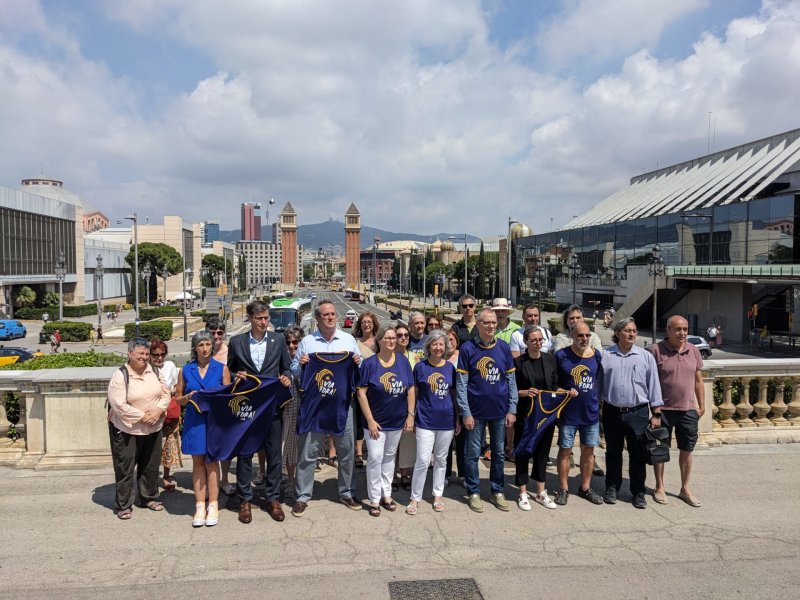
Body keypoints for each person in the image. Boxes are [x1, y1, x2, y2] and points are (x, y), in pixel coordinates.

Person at [291, 300, 362, 517]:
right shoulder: (307, 342)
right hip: (315, 406)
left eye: (333, 314)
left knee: (347, 451)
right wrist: (301, 365)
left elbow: (359, 373)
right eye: (326, 315)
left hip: (342, 405)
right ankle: (302, 496)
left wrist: (357, 362)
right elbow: (295, 371)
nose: (331, 317)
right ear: (318, 318)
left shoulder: (348, 340)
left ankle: (347, 492)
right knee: (308, 452)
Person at [226, 300, 293, 524]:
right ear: (250, 319)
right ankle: (245, 500)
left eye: (266, 318)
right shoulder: (236, 342)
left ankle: (273, 499)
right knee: (245, 456)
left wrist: (286, 378)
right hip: (247, 409)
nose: (264, 322)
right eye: (259, 319)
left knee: (274, 455)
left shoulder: (279, 340)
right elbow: (231, 370)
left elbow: (286, 367)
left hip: (272, 407)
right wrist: (237, 377)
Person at [456, 308, 518, 513]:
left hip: (499, 412)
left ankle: (497, 490)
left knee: (499, 454)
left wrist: (512, 408)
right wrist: (465, 412)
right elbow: (462, 383)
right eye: (486, 323)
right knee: (472, 454)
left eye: (493, 322)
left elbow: (510, 381)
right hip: (475, 412)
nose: (491, 326)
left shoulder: (504, 348)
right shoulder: (467, 348)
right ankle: (473, 491)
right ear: (478, 325)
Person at [601, 318, 663, 509]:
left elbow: (654, 385)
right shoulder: (606, 355)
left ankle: (638, 492)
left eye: (634, 331)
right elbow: (598, 386)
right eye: (627, 330)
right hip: (612, 412)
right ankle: (612, 487)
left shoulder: (645, 357)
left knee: (638, 454)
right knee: (613, 453)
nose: (632, 334)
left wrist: (657, 413)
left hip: (638, 413)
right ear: (618, 333)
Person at [106, 337, 171, 519]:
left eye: (146, 353)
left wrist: (158, 411)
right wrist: (144, 417)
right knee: (125, 468)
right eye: (139, 353)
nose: (144, 357)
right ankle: (124, 504)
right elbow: (118, 405)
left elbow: (166, 394)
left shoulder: (155, 371)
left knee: (150, 465)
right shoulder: (121, 375)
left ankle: (148, 497)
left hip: (153, 428)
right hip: (127, 430)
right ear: (130, 354)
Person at [357, 326, 415, 516]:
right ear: (379, 341)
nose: (391, 341)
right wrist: (370, 420)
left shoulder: (403, 362)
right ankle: (374, 499)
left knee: (389, 457)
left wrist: (410, 415)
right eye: (387, 338)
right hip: (376, 423)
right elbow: (361, 393)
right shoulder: (370, 363)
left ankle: (386, 494)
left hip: (397, 421)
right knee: (374, 458)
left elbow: (410, 389)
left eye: (393, 338)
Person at [648, 315, 705, 507]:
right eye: (678, 329)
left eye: (685, 329)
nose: (683, 333)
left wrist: (701, 406)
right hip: (663, 409)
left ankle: (685, 488)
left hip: (688, 409)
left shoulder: (693, 350)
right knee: (660, 449)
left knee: (687, 450)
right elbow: (649, 382)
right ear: (668, 331)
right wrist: (654, 411)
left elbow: (698, 380)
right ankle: (659, 487)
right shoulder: (655, 350)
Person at [176, 331, 231, 527]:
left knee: (212, 463)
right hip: (194, 421)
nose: (205, 348)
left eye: (208, 344)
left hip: (214, 422)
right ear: (195, 347)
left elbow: (229, 398)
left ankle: (214, 504)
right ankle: (200, 504)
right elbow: (178, 399)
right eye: (201, 345)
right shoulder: (185, 370)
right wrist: (189, 397)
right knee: (198, 462)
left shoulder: (222, 369)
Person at [513, 326, 567, 511]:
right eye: (534, 340)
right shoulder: (518, 362)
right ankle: (522, 491)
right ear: (526, 342)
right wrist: (525, 392)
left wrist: (567, 392)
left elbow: (554, 386)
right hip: (526, 415)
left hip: (546, 416)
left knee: (543, 453)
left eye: (540, 340)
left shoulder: (550, 360)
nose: (538, 343)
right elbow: (511, 390)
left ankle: (540, 491)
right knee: (523, 452)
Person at [408, 330, 458, 514]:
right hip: (425, 420)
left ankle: (438, 495)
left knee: (441, 460)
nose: (438, 348)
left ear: (445, 347)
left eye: (441, 345)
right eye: (434, 344)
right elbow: (414, 392)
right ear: (428, 346)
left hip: (447, 421)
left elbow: (453, 395)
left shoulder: (450, 368)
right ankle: (415, 497)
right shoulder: (420, 368)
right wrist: (411, 415)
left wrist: (458, 418)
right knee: (422, 460)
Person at [554, 322, 603, 506]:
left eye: (587, 335)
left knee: (588, 452)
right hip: (568, 414)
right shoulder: (561, 355)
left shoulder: (596, 355)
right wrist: (563, 391)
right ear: (572, 335)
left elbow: (598, 380)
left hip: (590, 413)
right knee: (565, 451)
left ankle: (585, 487)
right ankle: (563, 488)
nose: (584, 339)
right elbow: (553, 382)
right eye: (580, 335)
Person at [150, 338, 180, 492]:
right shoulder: (146, 369)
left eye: (162, 354)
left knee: (169, 444)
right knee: (152, 447)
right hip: (152, 413)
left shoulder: (170, 366)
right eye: (155, 355)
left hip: (169, 412)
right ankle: (151, 477)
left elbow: (175, 385)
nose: (159, 358)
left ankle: (166, 475)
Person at [352, 312, 380, 468]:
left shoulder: (379, 342)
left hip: (377, 388)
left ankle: (373, 451)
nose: (367, 324)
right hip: (361, 386)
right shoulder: (355, 343)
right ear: (360, 325)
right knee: (360, 420)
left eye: (369, 322)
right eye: (364, 322)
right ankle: (358, 453)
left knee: (375, 418)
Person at [281, 325, 304, 498]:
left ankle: (301, 482)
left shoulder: (307, 359)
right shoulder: (281, 362)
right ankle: (290, 480)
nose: (291, 346)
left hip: (304, 410)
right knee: (289, 447)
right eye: (288, 342)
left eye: (295, 342)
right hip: (288, 410)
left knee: (302, 448)